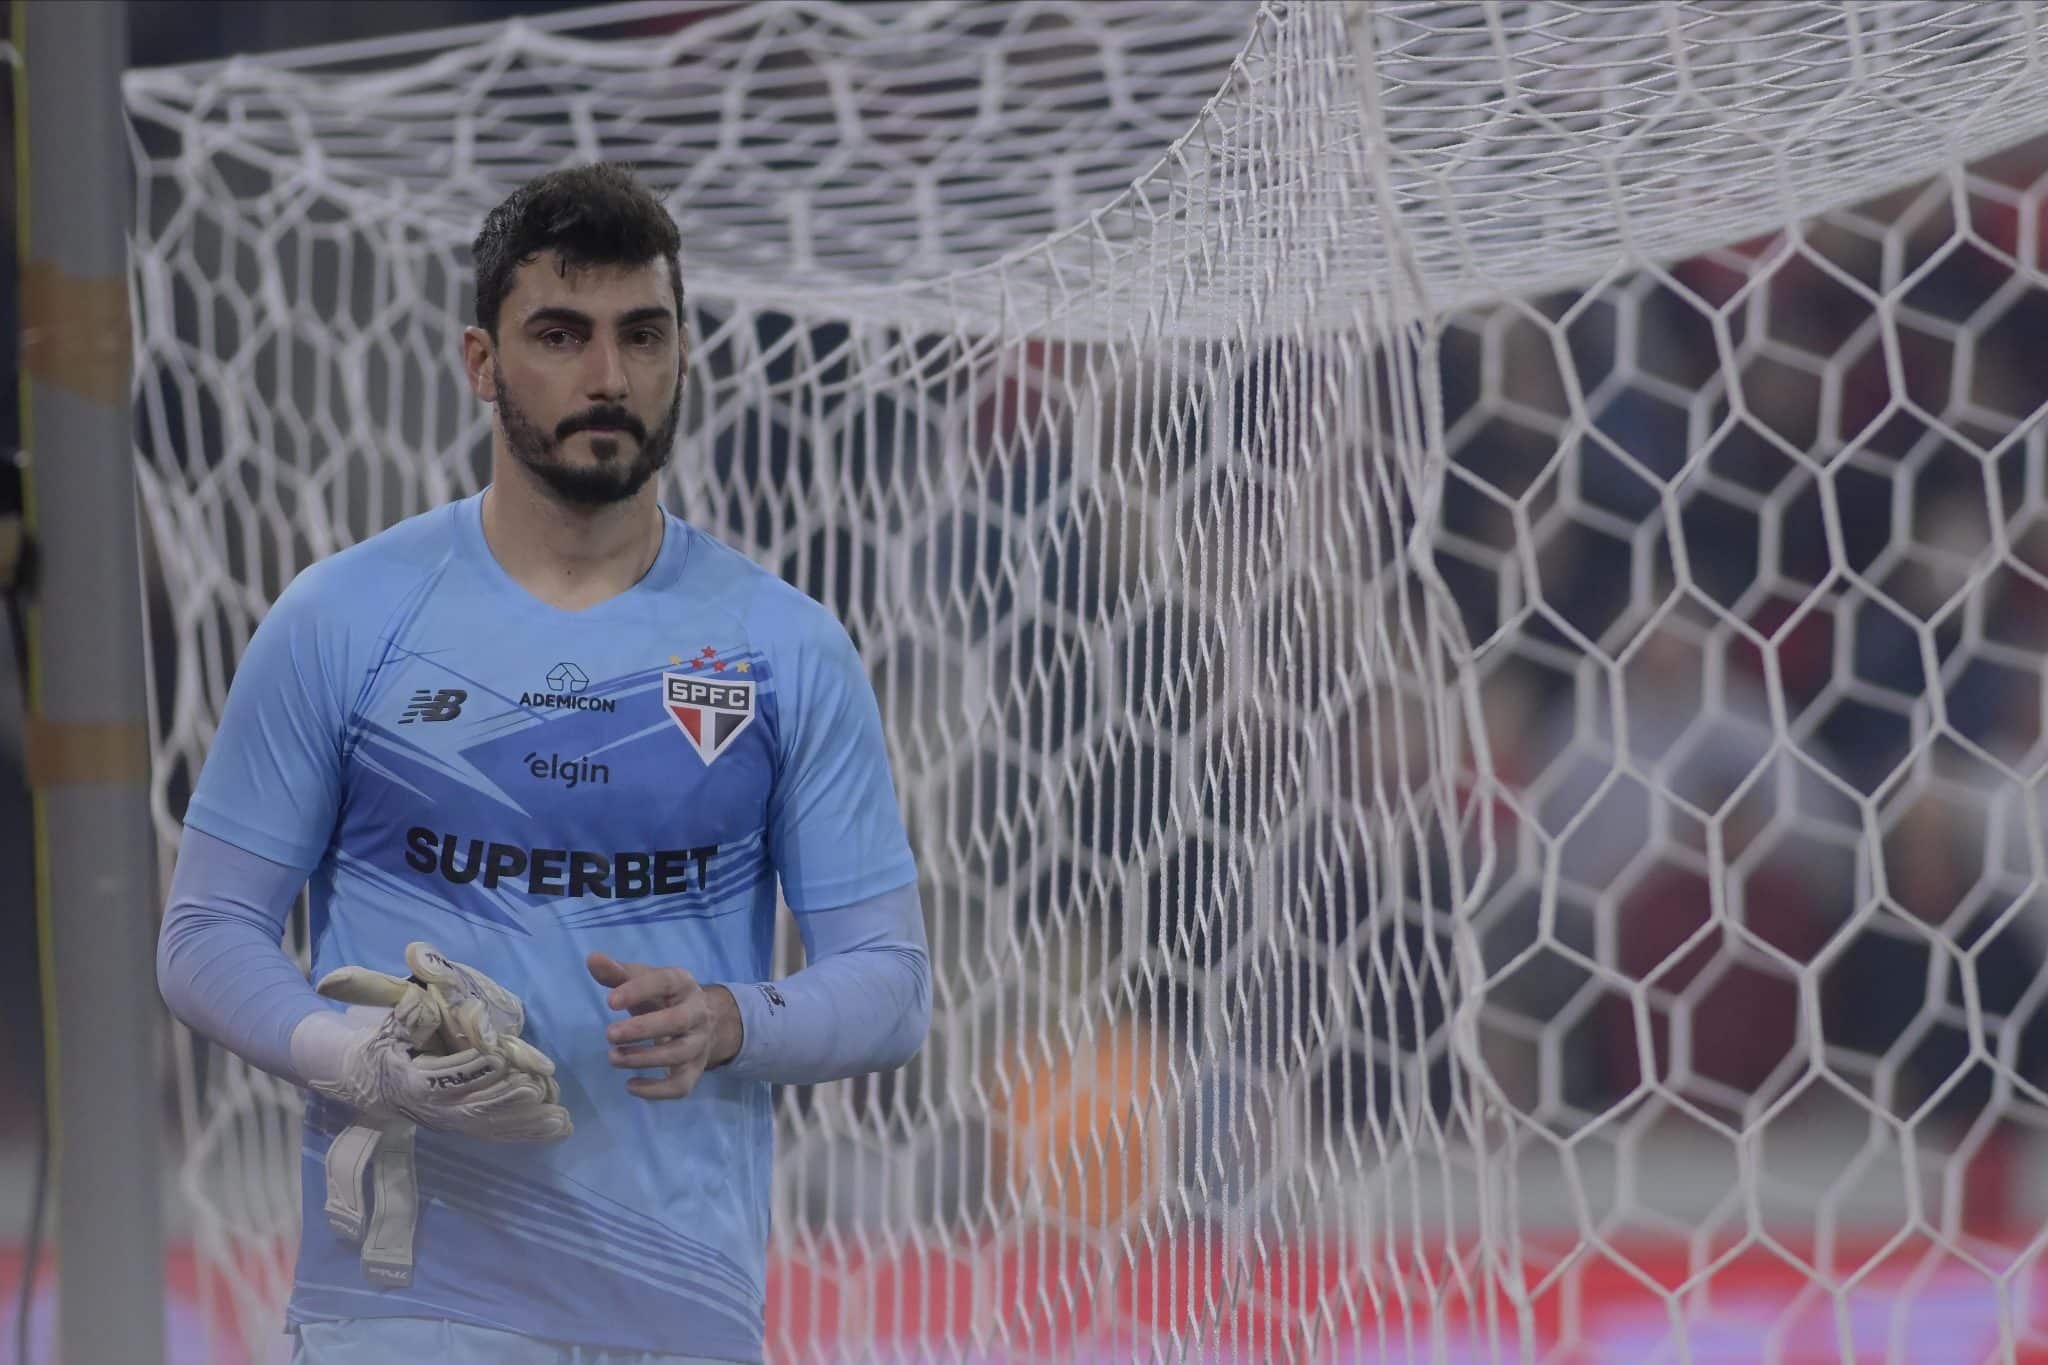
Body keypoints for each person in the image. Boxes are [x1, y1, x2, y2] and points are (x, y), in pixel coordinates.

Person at [156, 162, 932, 1365]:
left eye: (642, 334)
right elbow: (202, 936)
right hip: (401, 1304)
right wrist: (354, 1057)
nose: (607, 377)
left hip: (677, 1312)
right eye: (559, 335)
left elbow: (888, 981)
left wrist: (733, 1020)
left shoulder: (785, 645)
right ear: (480, 362)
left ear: (683, 354)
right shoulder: (343, 620)